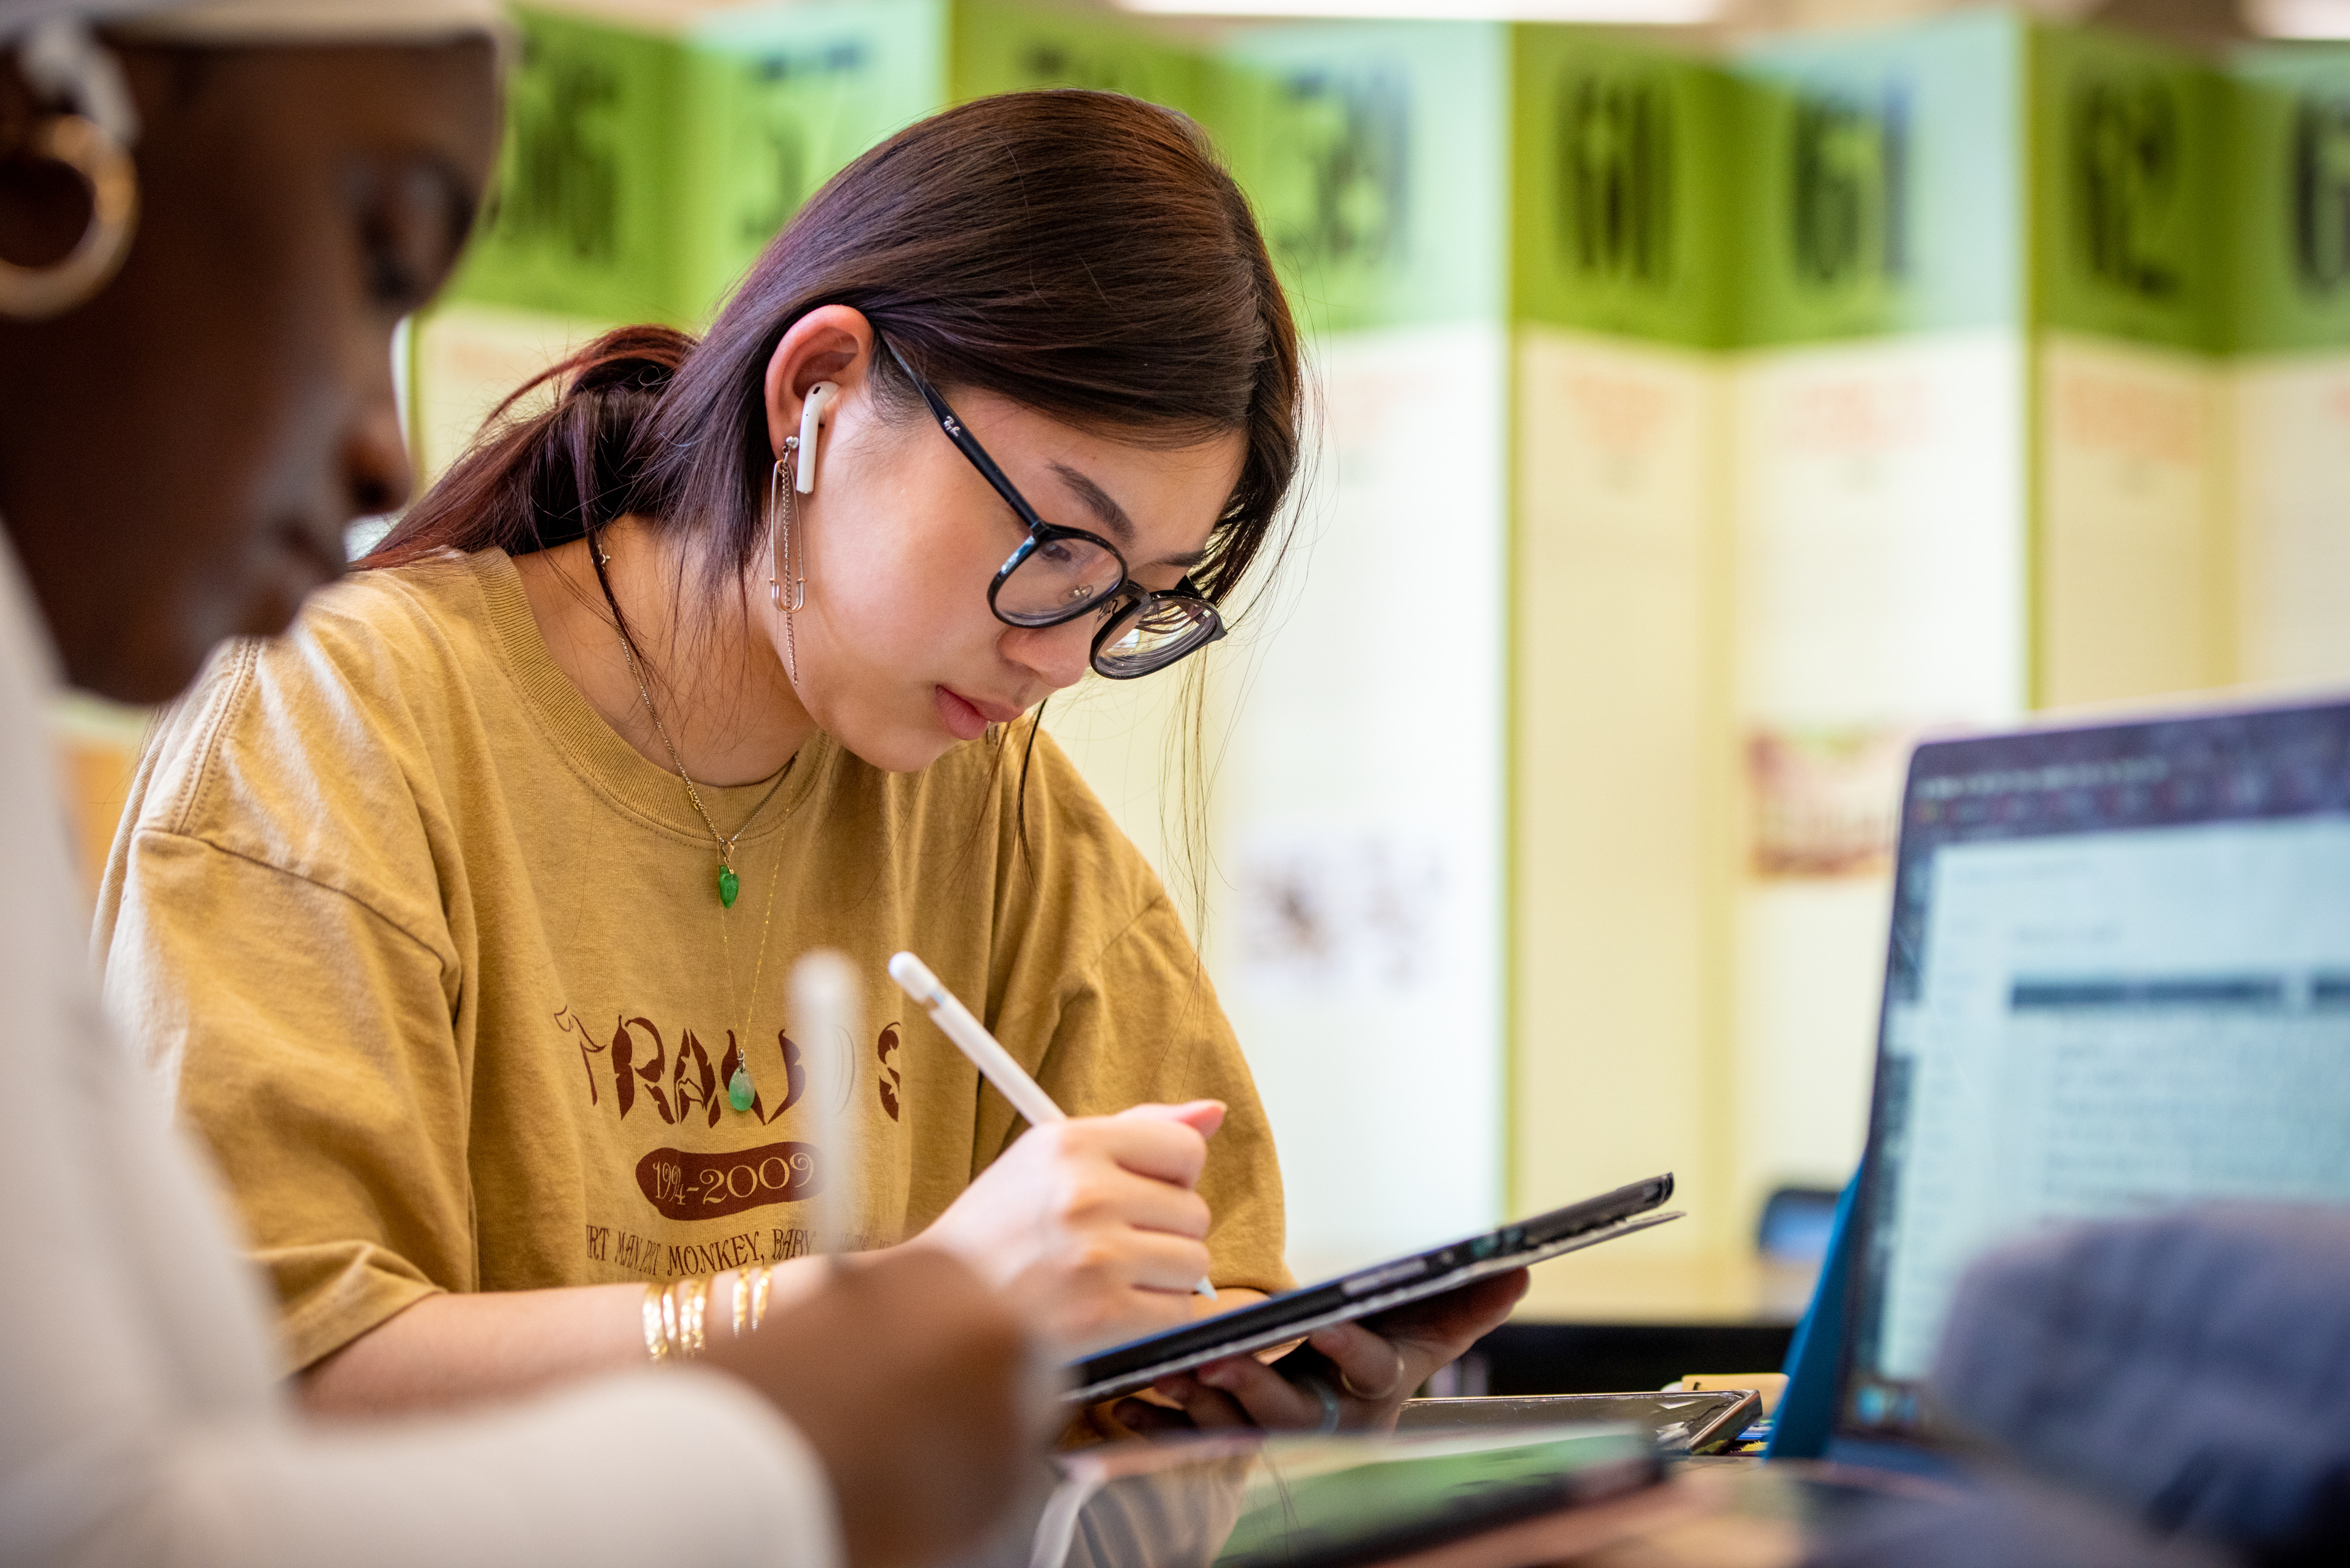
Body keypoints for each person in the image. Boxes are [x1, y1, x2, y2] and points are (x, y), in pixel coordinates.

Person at [94, 78, 1525, 1429]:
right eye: (1052, 547)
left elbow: (1179, 1305)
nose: (1065, 653)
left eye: (1133, 595)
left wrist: (1225, 1385)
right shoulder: (338, 723)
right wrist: (883, 1308)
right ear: (818, 394)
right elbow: (270, 1386)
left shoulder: (1001, 809)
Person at [0, 2, 1041, 1563]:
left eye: (1140, 594)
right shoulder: (344, 710)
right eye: (377, 258)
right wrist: (788, 1431)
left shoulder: (982, 776)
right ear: (43, 174)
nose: (379, 448)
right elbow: (103, 1527)